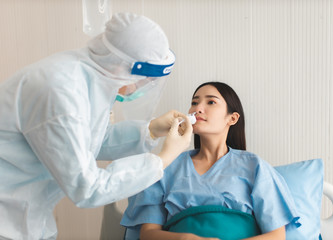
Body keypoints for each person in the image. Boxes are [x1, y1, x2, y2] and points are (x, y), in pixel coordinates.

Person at [0, 12, 193, 240]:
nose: (144, 87)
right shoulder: (60, 92)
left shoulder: (91, 77)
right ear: (125, 67)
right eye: (146, 80)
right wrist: (163, 160)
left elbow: (90, 141)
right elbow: (87, 188)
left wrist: (150, 130)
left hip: (27, 218)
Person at [121, 82, 301, 240]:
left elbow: (277, 235)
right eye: (194, 102)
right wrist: (185, 238)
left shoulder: (255, 166)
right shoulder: (166, 165)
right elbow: (148, 234)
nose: (198, 108)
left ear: (232, 118)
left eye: (211, 102)